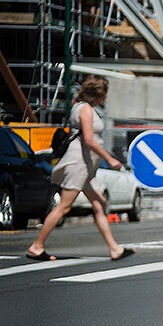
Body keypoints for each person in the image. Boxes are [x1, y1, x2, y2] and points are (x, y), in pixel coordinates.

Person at [26, 75, 134, 261]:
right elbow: (89, 140)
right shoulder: (85, 109)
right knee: (64, 207)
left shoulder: (82, 107)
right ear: (95, 94)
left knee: (99, 204)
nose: (103, 99)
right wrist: (110, 159)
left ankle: (114, 248)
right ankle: (37, 245)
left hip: (86, 168)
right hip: (79, 165)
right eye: (102, 95)